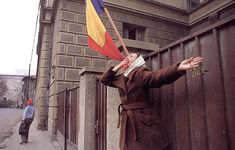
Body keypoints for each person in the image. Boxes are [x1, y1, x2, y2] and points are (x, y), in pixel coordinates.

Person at [100, 53, 203, 150]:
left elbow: (159, 76)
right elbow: (104, 80)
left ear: (137, 61)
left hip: (143, 119)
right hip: (127, 118)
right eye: (126, 56)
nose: (127, 58)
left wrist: (178, 68)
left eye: (131, 56)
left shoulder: (140, 74)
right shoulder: (121, 78)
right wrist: (119, 66)